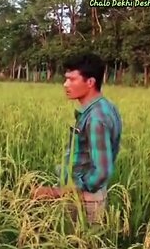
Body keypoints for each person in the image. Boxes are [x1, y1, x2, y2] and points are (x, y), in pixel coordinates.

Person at [31, 52, 122, 224]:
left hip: (86, 203)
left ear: (90, 82)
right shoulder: (104, 107)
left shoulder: (96, 118)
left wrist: (58, 192)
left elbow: (101, 172)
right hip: (85, 198)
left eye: (72, 79)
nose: (65, 84)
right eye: (66, 79)